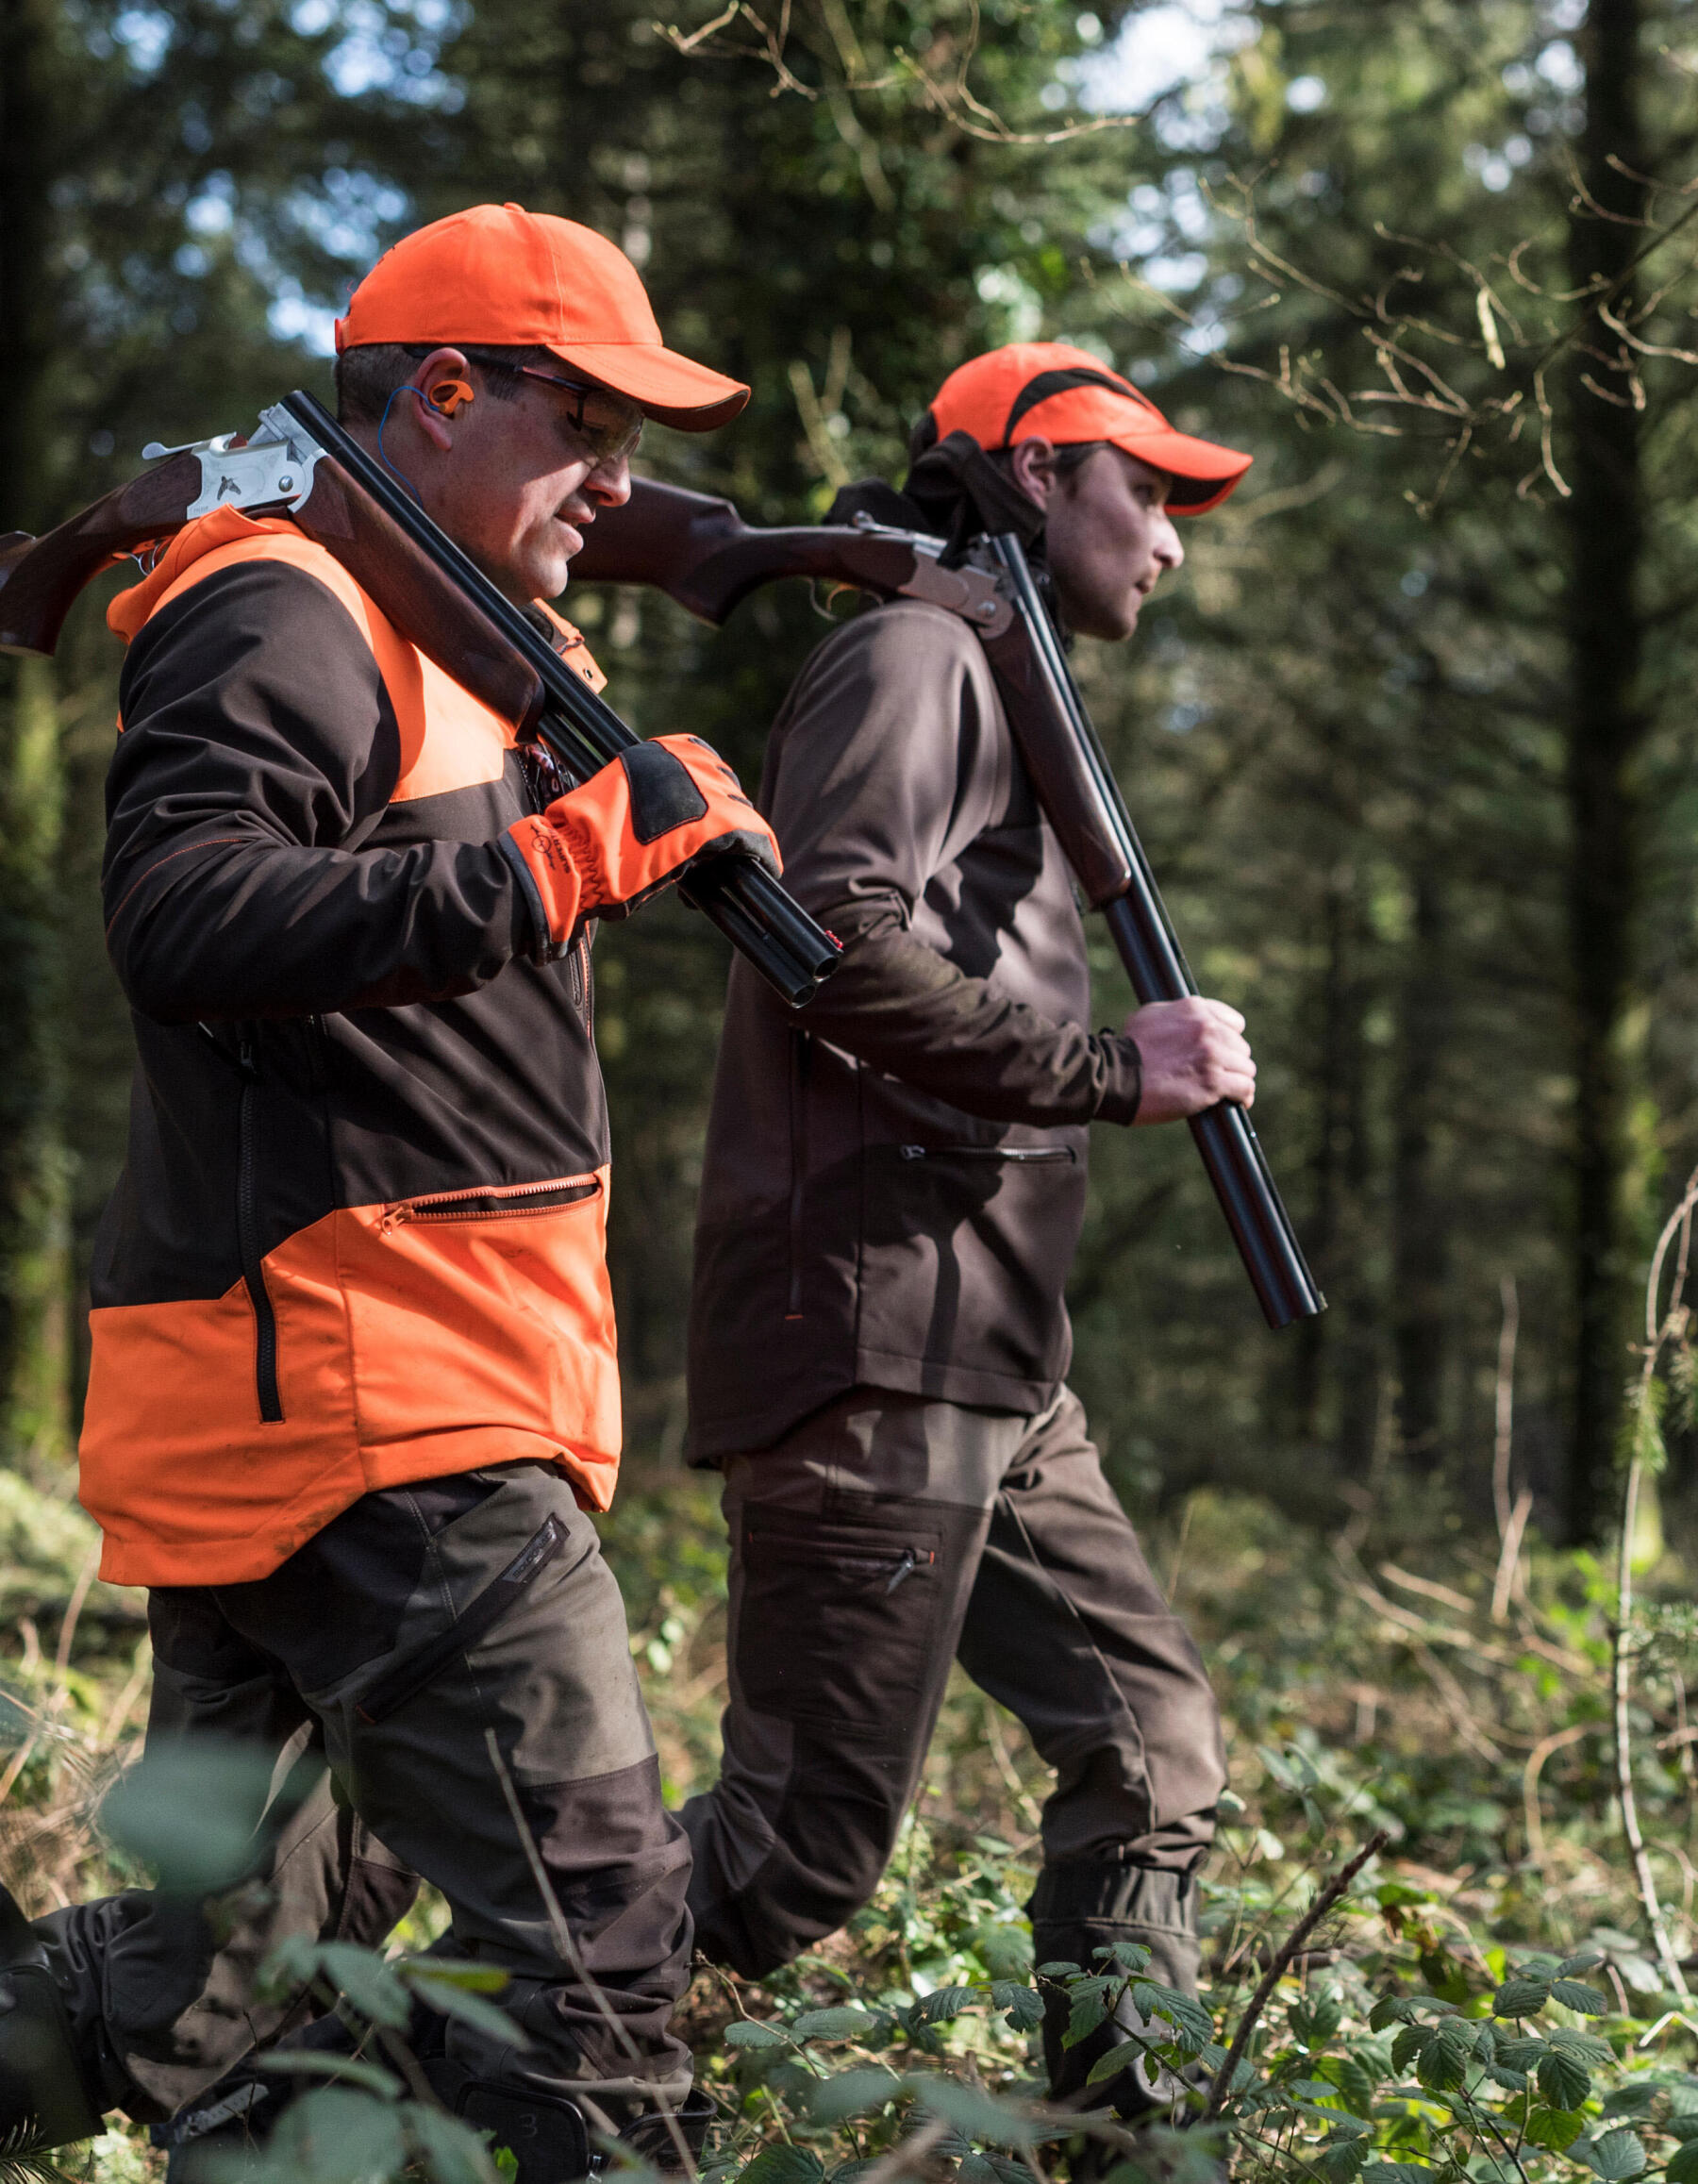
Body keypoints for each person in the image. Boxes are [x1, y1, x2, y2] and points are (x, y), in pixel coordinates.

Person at [0, 202, 779, 2178]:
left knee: (227, 1981)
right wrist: (547, 868)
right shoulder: (279, 605)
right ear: (441, 393)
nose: (621, 482)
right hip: (384, 1409)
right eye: (587, 423)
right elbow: (176, 914)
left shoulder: (461, 645)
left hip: (350, 1395)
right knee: (601, 1958)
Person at [680, 342, 1256, 2123]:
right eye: (1142, 489)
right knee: (787, 1867)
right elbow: (825, 935)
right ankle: (383, 2058)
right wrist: (1107, 1062)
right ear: (1025, 473)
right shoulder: (911, 654)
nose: (1168, 539)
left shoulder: (1000, 687)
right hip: (877, 1336)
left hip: (994, 1355)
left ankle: (1127, 2151)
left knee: (1153, 1756)